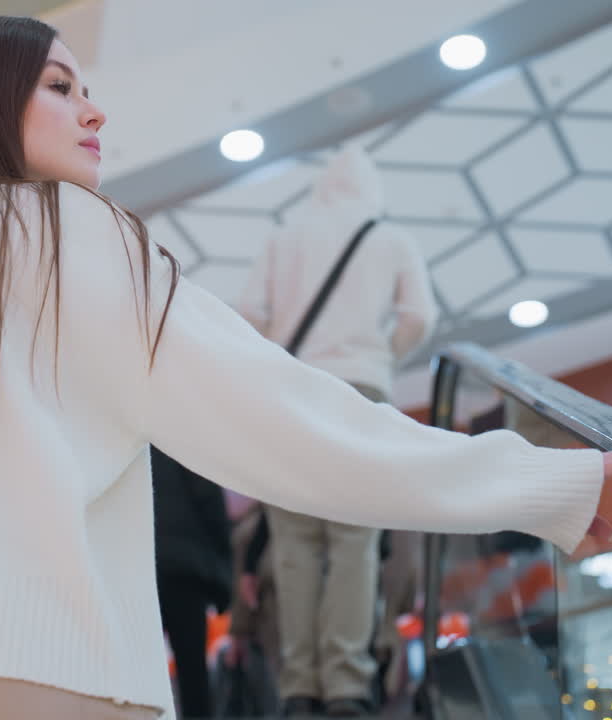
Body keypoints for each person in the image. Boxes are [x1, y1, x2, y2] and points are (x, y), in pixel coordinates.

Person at [0, 15, 612, 720]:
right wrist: (537, 479)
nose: (94, 110)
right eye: (58, 85)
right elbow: (278, 416)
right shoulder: (53, 227)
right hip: (21, 677)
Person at [232, 145, 437, 717]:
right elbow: (420, 317)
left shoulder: (286, 234)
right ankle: (347, 685)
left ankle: (299, 686)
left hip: (293, 394)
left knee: (294, 544)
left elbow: (247, 312)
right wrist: (378, 358)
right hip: (359, 394)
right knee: (353, 543)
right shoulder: (391, 238)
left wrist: (281, 356)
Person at [151, 447, 233, 718]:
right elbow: (209, 500)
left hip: (142, 566)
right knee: (192, 670)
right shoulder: (181, 440)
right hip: (185, 570)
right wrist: (223, 566)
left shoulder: (127, 440)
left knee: (141, 665)